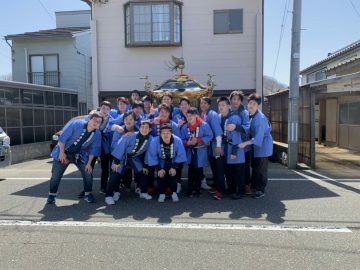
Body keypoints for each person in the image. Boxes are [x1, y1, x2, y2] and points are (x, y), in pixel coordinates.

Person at [46, 112, 103, 204]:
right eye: (94, 120)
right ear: (89, 119)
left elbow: (94, 149)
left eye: (99, 122)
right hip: (64, 151)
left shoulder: (97, 134)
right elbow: (63, 138)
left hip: (78, 155)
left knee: (88, 172)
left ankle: (87, 194)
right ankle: (52, 195)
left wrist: (89, 163)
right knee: (56, 175)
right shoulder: (77, 124)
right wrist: (61, 153)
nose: (96, 122)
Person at [105, 121, 153, 205]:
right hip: (122, 157)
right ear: (139, 128)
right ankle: (109, 195)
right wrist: (116, 161)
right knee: (115, 173)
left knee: (143, 172)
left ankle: (143, 192)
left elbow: (148, 153)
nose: (144, 129)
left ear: (150, 129)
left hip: (134, 158)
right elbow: (121, 146)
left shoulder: (150, 139)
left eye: (146, 128)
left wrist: (146, 165)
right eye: (142, 127)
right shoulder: (131, 135)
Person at [238, 93, 273, 198]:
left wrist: (245, 143)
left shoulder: (260, 118)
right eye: (249, 103)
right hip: (256, 146)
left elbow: (258, 138)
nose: (251, 105)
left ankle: (261, 189)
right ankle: (255, 186)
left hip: (263, 146)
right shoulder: (252, 115)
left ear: (258, 105)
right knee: (256, 167)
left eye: (253, 103)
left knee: (261, 169)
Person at [146, 124, 187, 202]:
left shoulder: (177, 140)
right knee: (161, 175)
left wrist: (174, 167)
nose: (165, 135)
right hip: (161, 161)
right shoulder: (155, 141)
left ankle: (173, 192)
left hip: (173, 160)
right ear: (160, 133)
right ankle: (161, 193)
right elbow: (152, 155)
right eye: (163, 133)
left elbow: (181, 154)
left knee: (173, 175)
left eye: (168, 133)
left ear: (171, 133)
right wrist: (158, 168)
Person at [180, 107, 213, 197]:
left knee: (199, 170)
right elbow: (181, 139)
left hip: (200, 150)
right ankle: (190, 188)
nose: (189, 118)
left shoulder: (204, 125)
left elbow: (210, 135)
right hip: (190, 151)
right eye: (188, 116)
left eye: (191, 115)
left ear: (196, 116)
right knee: (191, 170)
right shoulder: (185, 127)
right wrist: (187, 143)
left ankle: (197, 189)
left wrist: (199, 140)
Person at [217, 97, 246, 200]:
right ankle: (231, 189)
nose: (221, 107)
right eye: (219, 105)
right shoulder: (219, 117)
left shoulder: (234, 118)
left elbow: (237, 136)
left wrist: (234, 151)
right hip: (226, 147)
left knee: (238, 171)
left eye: (223, 105)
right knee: (229, 171)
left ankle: (241, 191)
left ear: (228, 106)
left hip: (235, 148)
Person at [227, 90, 251, 194]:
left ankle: (246, 186)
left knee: (243, 168)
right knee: (234, 168)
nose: (235, 101)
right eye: (233, 99)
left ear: (241, 101)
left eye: (238, 99)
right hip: (232, 143)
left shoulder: (244, 113)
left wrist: (236, 126)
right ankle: (236, 187)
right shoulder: (230, 111)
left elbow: (247, 127)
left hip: (243, 144)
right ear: (231, 100)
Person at [199, 97, 223, 191]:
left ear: (209, 105)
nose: (203, 105)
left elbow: (217, 131)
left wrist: (218, 145)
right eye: (201, 103)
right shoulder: (202, 114)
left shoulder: (212, 114)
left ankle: (220, 189)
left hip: (215, 144)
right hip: (209, 146)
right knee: (214, 167)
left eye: (205, 103)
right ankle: (216, 185)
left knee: (218, 168)